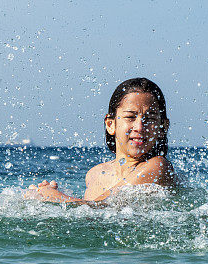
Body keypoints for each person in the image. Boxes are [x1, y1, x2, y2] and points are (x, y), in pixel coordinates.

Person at [26, 77, 177, 204]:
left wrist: (56, 198)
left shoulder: (158, 167)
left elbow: (100, 208)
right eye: (130, 117)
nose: (139, 127)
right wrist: (42, 197)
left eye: (149, 119)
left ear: (163, 127)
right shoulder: (95, 174)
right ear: (111, 124)